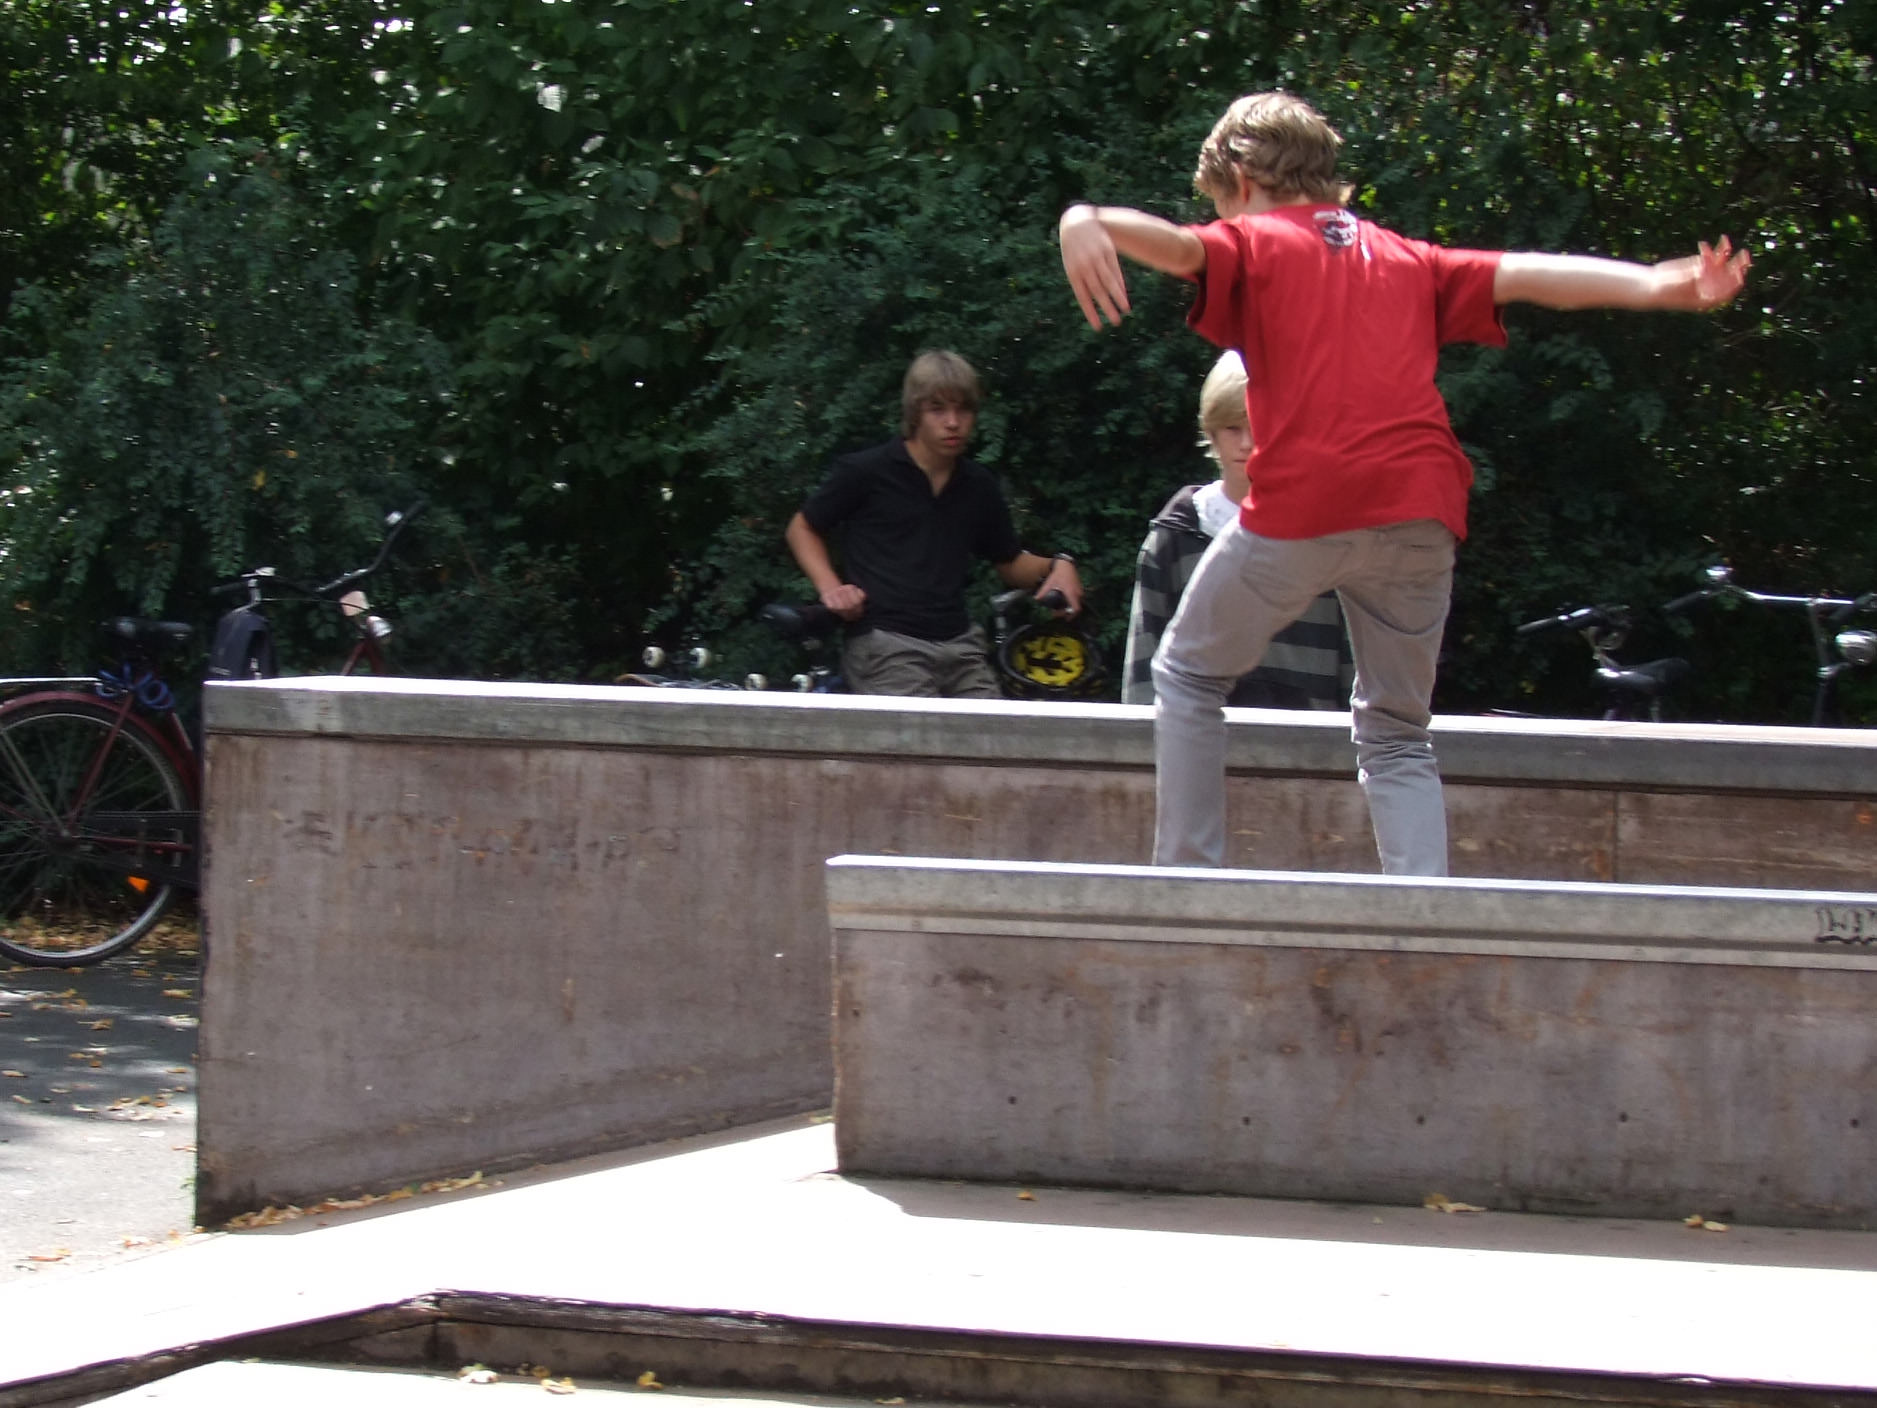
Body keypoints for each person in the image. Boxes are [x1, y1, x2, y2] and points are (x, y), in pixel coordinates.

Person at [1059, 91, 1750, 875]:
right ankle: (1421, 911)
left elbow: (1181, 250)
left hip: (1307, 506)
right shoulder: (1407, 256)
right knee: (1395, 731)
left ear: (1242, 180)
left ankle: (1189, 882)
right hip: (1421, 514)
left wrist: (1089, 218)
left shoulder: (1255, 240)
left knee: (1186, 672)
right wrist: (1661, 286)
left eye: (1220, 201)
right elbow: (1530, 274)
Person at [785, 350, 1084, 698]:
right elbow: (802, 528)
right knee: (925, 731)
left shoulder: (978, 485)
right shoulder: (866, 471)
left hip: (960, 644)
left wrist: (1058, 565)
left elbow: (1009, 562)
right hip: (887, 642)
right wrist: (831, 588)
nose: (953, 422)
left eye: (963, 409)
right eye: (938, 409)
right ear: (915, 413)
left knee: (994, 730)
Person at [1123, 349, 1351, 710]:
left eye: (1259, 424)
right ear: (1211, 432)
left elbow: (1357, 662)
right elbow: (1143, 663)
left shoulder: (1329, 536)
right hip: (1194, 732)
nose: (1246, 443)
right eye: (1232, 428)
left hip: (1309, 736)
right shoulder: (1175, 536)